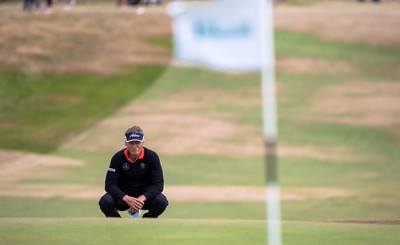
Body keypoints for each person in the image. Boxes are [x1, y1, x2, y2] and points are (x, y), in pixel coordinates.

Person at [99, 126, 168, 218]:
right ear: (126, 143)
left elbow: (158, 185)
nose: (135, 146)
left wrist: (141, 198)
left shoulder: (152, 157)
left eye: (138, 142)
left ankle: (147, 220)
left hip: (145, 197)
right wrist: (127, 198)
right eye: (131, 143)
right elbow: (109, 185)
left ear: (143, 142)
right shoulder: (118, 157)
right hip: (123, 197)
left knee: (162, 201)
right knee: (105, 201)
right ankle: (117, 222)